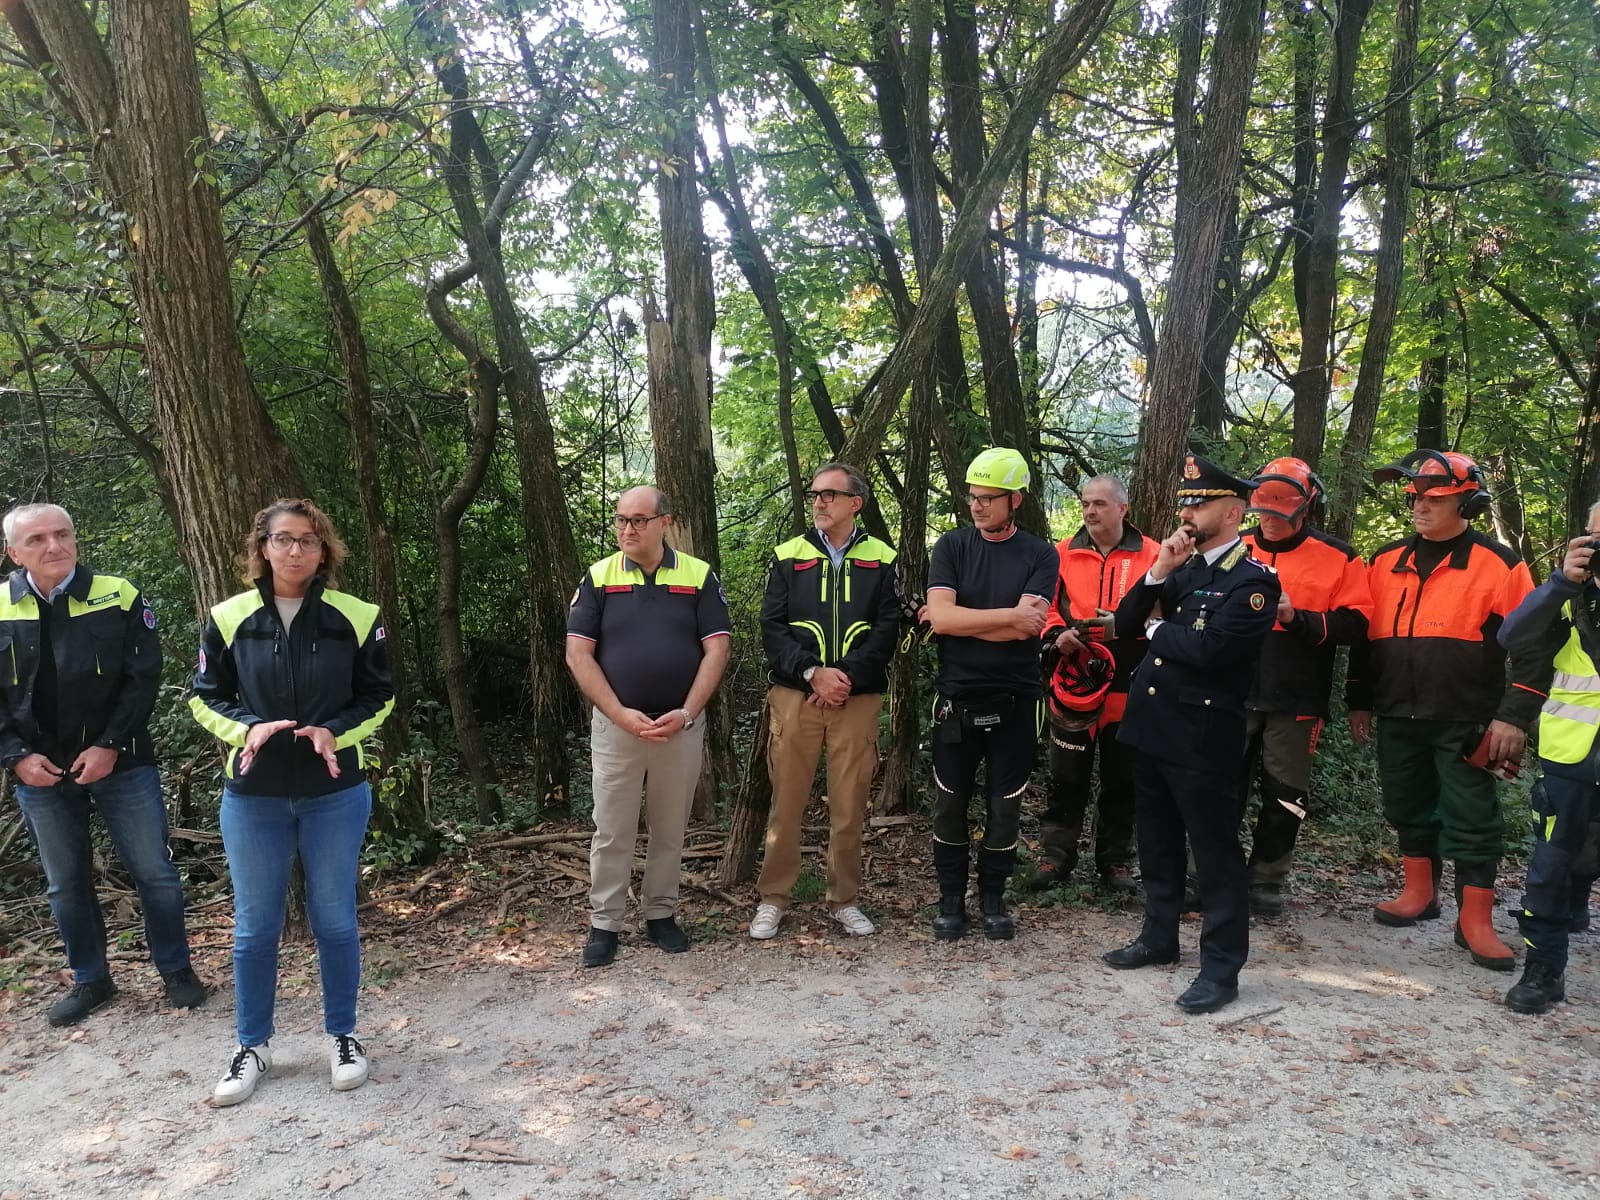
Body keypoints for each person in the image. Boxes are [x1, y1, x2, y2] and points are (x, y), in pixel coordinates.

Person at [191, 499, 394, 1106]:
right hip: (254, 795)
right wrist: (247, 728)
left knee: (335, 919)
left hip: (335, 792)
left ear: (323, 549)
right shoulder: (228, 617)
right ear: (263, 547)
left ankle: (343, 1036)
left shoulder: (357, 616)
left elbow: (379, 695)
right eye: (283, 539)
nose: (296, 550)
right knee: (256, 927)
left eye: (308, 540)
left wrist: (336, 731)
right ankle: (252, 1045)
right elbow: (204, 696)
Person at [0, 503, 205, 1027]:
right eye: (38, 539)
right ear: (13, 553)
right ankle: (91, 979)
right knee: (65, 883)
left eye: (62, 534)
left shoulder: (118, 594)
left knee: (154, 873)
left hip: (123, 761)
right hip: (39, 771)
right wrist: (15, 757)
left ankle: (176, 970)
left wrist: (110, 744)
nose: (54, 546)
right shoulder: (1, 606)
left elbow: (143, 678)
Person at [1347, 450, 1540, 973]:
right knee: (1407, 805)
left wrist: (1513, 715)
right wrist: (1359, 700)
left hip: (1466, 717)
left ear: (1466, 502)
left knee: (1472, 818)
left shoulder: (1499, 564)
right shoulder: (1384, 561)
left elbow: (1534, 646)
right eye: (1415, 496)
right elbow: (1364, 639)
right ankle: (1419, 892)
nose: (1420, 506)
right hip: (1397, 712)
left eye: (1434, 498)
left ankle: (1474, 920)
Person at [1102, 455, 1280, 1014]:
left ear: (1232, 513)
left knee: (1215, 854)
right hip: (1152, 725)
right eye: (1186, 503)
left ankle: (1221, 969)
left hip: (1202, 736)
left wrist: (1157, 627)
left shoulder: (1253, 581)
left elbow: (1211, 652)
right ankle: (1158, 937)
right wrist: (1157, 571)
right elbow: (1123, 626)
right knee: (1156, 842)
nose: (1187, 513)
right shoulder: (1184, 569)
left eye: (1199, 504)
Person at [566, 486, 730, 968]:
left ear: (665, 523)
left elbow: (717, 650)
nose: (628, 529)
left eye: (639, 520)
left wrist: (686, 713)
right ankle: (605, 923)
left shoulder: (698, 575)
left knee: (669, 828)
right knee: (612, 829)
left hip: (679, 727)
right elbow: (578, 655)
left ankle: (661, 913)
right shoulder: (599, 576)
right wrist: (620, 714)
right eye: (621, 520)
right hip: (618, 727)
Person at [750, 464, 899, 940]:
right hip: (796, 696)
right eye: (814, 494)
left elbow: (887, 629)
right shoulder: (788, 555)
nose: (818, 502)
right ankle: (774, 898)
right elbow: (772, 627)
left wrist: (845, 678)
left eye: (830, 494)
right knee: (786, 804)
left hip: (857, 698)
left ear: (856, 503)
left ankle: (844, 900)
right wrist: (813, 673)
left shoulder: (882, 557)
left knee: (849, 807)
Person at [919, 448, 1059, 941]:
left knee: (1005, 807)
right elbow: (942, 619)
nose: (976, 506)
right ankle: (951, 900)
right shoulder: (952, 546)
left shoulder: (1040, 554)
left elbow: (1028, 629)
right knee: (949, 803)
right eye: (972, 497)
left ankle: (994, 898)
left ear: (1015, 499)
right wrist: (1007, 616)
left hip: (1017, 700)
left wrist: (964, 620)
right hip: (956, 697)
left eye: (988, 498)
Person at [1238, 458, 1372, 915]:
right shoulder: (1234, 546)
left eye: (1281, 512)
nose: (1270, 521)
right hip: (1233, 687)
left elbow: (1357, 624)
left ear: (1306, 508)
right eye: (1264, 511)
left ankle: (1267, 879)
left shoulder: (1339, 557)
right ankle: (1207, 872)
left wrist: (1298, 619)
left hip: (1297, 691)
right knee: (1219, 784)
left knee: (1285, 792)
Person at [1494, 508, 1600, 1012]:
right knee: (1550, 868)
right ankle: (1544, 970)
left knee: (1581, 861)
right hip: (1570, 760)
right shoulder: (1570, 601)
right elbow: (1511, 635)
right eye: (1597, 536)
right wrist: (1561, 583)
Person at [1032, 474, 1159, 893]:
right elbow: (1044, 607)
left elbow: (1168, 611)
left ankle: (1115, 860)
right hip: (1073, 681)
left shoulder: (1154, 554)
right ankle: (1056, 856)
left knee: (1123, 778)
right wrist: (1057, 634)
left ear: (1122, 508)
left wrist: (1132, 627)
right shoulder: (1061, 553)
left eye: (1099, 504)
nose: (1090, 511)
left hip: (1129, 681)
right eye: (1086, 503)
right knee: (1065, 775)